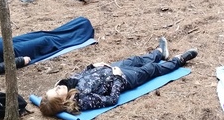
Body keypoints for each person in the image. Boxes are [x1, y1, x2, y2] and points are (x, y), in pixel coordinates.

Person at [39, 38, 197, 115]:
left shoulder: (68, 84)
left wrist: (93, 66)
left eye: (54, 88)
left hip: (110, 68)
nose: (58, 87)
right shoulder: (83, 100)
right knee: (152, 69)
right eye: (57, 91)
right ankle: (179, 60)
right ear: (63, 100)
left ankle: (159, 53)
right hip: (122, 78)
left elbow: (83, 74)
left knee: (136, 59)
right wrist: (117, 78)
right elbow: (111, 99)